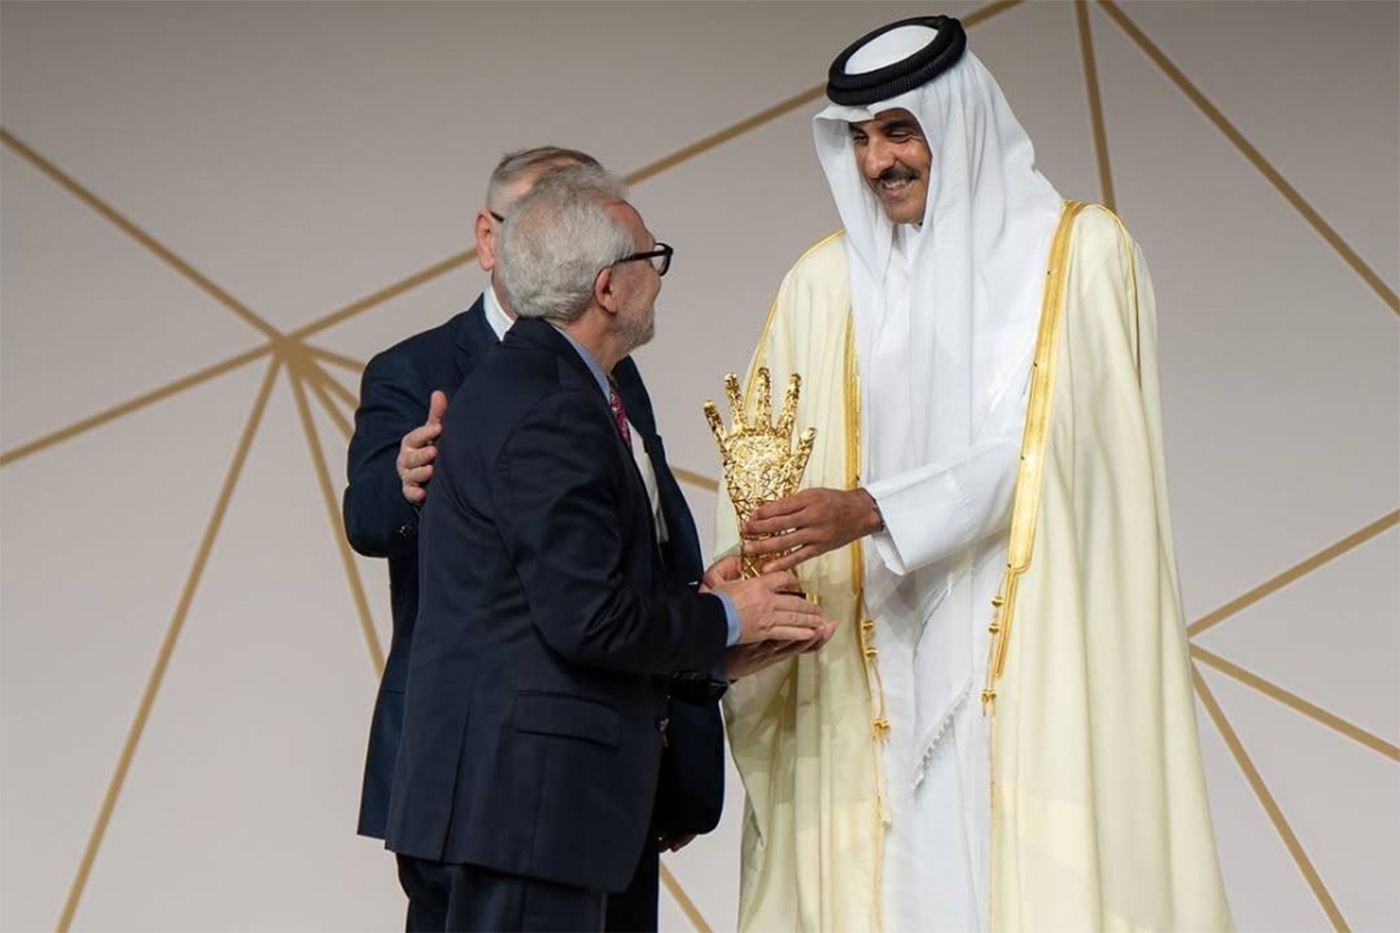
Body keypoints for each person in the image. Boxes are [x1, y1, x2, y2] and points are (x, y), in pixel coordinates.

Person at [716, 15, 1232, 933]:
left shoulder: (1077, 257)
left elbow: (1052, 446)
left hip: (1028, 658)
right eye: (860, 137)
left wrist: (873, 508)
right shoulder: (823, 283)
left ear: (956, 122)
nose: (878, 162)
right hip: (863, 676)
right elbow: (763, 468)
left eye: (900, 130)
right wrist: (750, 564)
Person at [384, 165, 834, 931]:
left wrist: (703, 627)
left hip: (513, 808)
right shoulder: (552, 407)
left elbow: (560, 594)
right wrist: (726, 616)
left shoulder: (548, 386)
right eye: (649, 257)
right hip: (523, 812)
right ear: (608, 287)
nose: (659, 276)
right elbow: (587, 618)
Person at [343, 148, 728, 931]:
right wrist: (405, 479)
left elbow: (645, 545)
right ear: (494, 238)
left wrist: (679, 728)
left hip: (601, 762)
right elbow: (371, 521)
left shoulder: (606, 373)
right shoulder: (442, 370)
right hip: (506, 776)